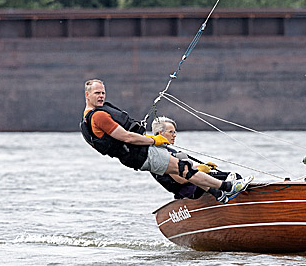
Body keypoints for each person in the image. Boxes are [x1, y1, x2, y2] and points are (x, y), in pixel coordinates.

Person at [80, 79, 253, 202]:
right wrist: (154, 141)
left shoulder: (87, 118)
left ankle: (218, 193)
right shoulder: (99, 116)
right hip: (140, 154)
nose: (101, 96)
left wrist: (149, 140)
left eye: (103, 92)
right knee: (184, 169)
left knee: (184, 169)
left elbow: (124, 139)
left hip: (134, 156)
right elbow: (126, 137)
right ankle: (227, 187)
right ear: (87, 95)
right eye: (97, 93)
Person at [149, 116, 230, 199]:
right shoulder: (161, 154)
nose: (174, 135)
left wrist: (203, 166)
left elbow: (183, 169)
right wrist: (200, 169)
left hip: (193, 186)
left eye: (175, 132)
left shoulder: (168, 150)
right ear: (160, 133)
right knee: (230, 177)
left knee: (232, 177)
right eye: (171, 132)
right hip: (189, 191)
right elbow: (180, 179)